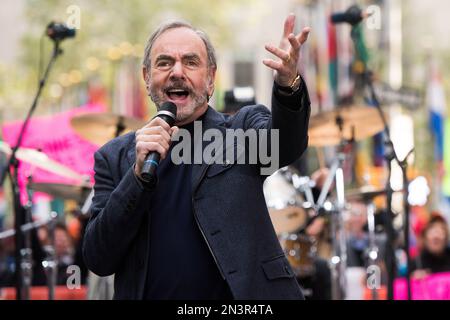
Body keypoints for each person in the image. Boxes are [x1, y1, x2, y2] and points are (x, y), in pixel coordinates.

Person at [83, 15, 311, 300]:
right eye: (164, 63)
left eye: (191, 62)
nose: (177, 72)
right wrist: (137, 176)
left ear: (211, 78)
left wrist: (288, 87)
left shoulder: (242, 130)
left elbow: (286, 144)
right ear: (147, 77)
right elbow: (99, 258)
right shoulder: (114, 157)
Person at [411, 213, 450, 278]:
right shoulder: (417, 263)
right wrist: (413, 279)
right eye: (432, 231)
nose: (436, 236)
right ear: (425, 237)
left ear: (446, 237)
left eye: (441, 231)